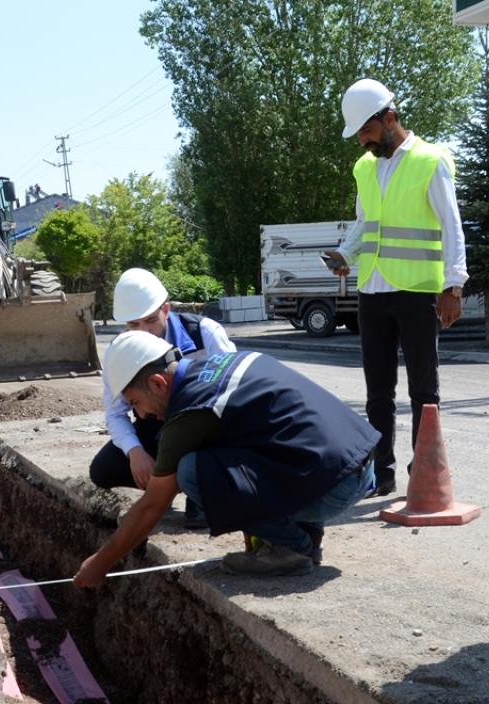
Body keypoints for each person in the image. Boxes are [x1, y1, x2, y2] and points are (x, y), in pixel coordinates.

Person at [74, 332, 378, 586]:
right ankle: (304, 541)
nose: (141, 415)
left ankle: (290, 548)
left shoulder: (191, 412)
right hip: (355, 466)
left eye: (136, 403)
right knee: (228, 455)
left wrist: (100, 564)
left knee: (192, 470)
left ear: (157, 383)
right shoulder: (221, 365)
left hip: (335, 487)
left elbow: (153, 504)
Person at [324, 78, 468, 497]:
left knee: (424, 389)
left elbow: (451, 226)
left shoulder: (430, 160)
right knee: (377, 393)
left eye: (367, 131)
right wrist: (345, 256)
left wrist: (453, 285)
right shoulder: (364, 168)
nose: (363, 142)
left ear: (389, 117)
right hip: (372, 290)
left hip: (419, 291)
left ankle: (423, 474)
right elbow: (365, 223)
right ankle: (379, 474)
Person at [89, 268, 236, 529]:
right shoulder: (119, 351)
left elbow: (232, 396)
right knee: (103, 469)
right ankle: (166, 484)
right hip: (157, 428)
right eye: (134, 325)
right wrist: (135, 453)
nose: (143, 331)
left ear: (166, 310)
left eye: (151, 321)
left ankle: (198, 487)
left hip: (204, 432)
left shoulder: (205, 334)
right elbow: (115, 412)